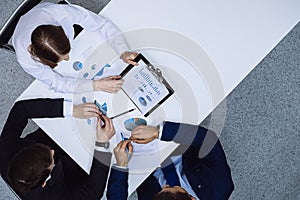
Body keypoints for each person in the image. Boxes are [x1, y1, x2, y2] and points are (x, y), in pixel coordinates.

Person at [0, 98, 116, 200]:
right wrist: (102, 144)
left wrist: (70, 109)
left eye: (43, 149)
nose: (52, 151)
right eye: (51, 160)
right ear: (44, 183)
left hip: (54, 134)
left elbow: (22, 109)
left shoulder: (4, 150)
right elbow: (93, 193)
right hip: (78, 166)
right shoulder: (54, 197)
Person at [12, 2, 138, 93]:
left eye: (66, 52)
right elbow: (56, 83)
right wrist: (96, 85)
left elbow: (102, 25)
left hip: (41, 12)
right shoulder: (25, 59)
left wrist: (122, 50)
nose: (68, 58)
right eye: (61, 59)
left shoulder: (62, 13)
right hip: (22, 29)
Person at [106, 122, 234, 200]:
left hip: (140, 164)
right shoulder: (220, 187)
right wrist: (159, 132)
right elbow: (208, 140)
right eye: (171, 186)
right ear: (192, 198)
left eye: (164, 189)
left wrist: (121, 166)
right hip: (173, 147)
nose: (165, 185)